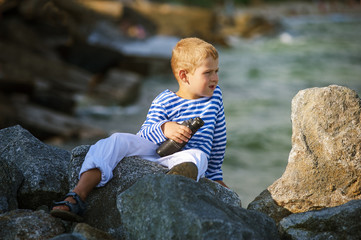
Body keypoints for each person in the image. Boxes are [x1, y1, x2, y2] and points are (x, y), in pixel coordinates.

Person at [51, 37, 228, 222]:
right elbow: (145, 134)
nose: (215, 78)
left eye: (216, 71)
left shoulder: (215, 97)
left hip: (183, 159)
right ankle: (78, 194)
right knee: (116, 139)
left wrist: (215, 175)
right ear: (184, 76)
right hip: (156, 150)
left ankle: (166, 193)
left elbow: (218, 138)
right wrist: (164, 128)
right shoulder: (165, 100)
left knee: (198, 157)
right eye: (208, 72)